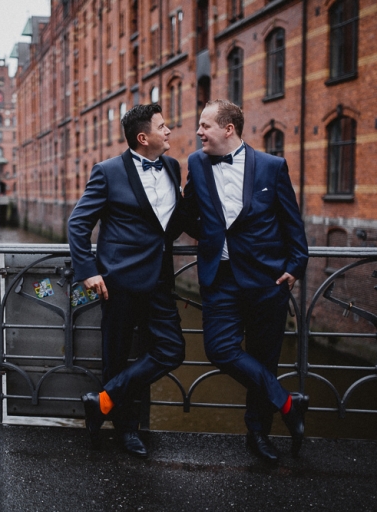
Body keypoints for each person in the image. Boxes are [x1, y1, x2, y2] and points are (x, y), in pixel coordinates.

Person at [181, 99, 310, 462]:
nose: (199, 132)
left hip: (267, 281)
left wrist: (296, 265)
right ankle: (288, 402)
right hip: (220, 279)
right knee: (220, 349)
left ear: (228, 129)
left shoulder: (271, 167)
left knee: (264, 358)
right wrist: (207, 236)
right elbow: (189, 212)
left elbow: (292, 224)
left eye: (205, 126)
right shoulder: (196, 163)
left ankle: (258, 435)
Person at [68, 104, 186, 458]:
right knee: (117, 358)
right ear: (143, 136)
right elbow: (78, 224)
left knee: (171, 349)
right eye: (162, 126)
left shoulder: (173, 167)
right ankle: (126, 431)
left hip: (161, 280)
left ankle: (101, 400)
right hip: (117, 282)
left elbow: (169, 222)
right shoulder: (107, 172)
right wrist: (88, 270)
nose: (169, 131)